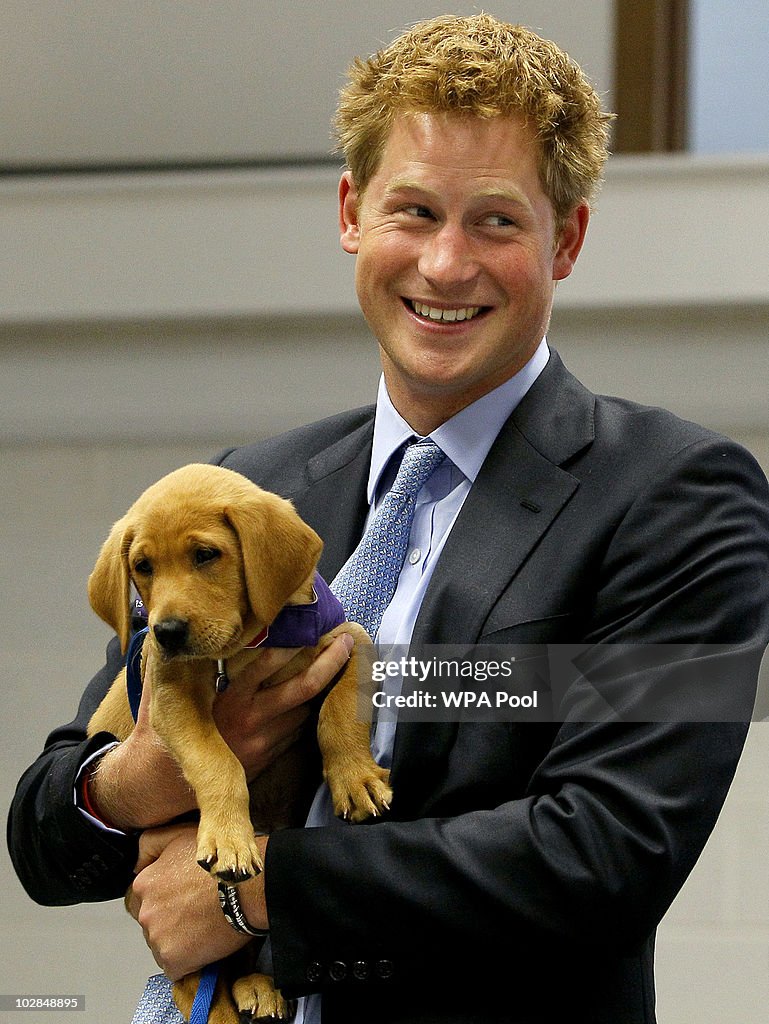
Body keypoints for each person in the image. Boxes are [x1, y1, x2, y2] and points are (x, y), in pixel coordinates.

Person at [8, 13, 769, 1024]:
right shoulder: (249, 492)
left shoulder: (680, 497)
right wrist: (147, 776)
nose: (445, 265)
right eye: (413, 210)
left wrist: (254, 886)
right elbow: (44, 833)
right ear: (350, 213)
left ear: (567, 238)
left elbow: (605, 852)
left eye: (496, 220)